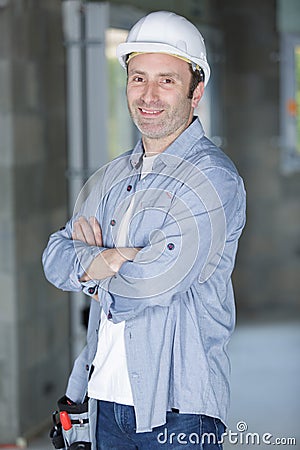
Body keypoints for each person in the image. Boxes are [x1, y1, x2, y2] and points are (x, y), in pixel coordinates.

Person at [43, 10, 246, 450]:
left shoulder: (214, 180)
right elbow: (53, 257)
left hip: (178, 409)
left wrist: (95, 270)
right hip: (100, 400)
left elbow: (149, 287)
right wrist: (118, 259)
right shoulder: (113, 177)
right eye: (138, 78)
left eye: (167, 80)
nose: (149, 94)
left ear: (196, 92)